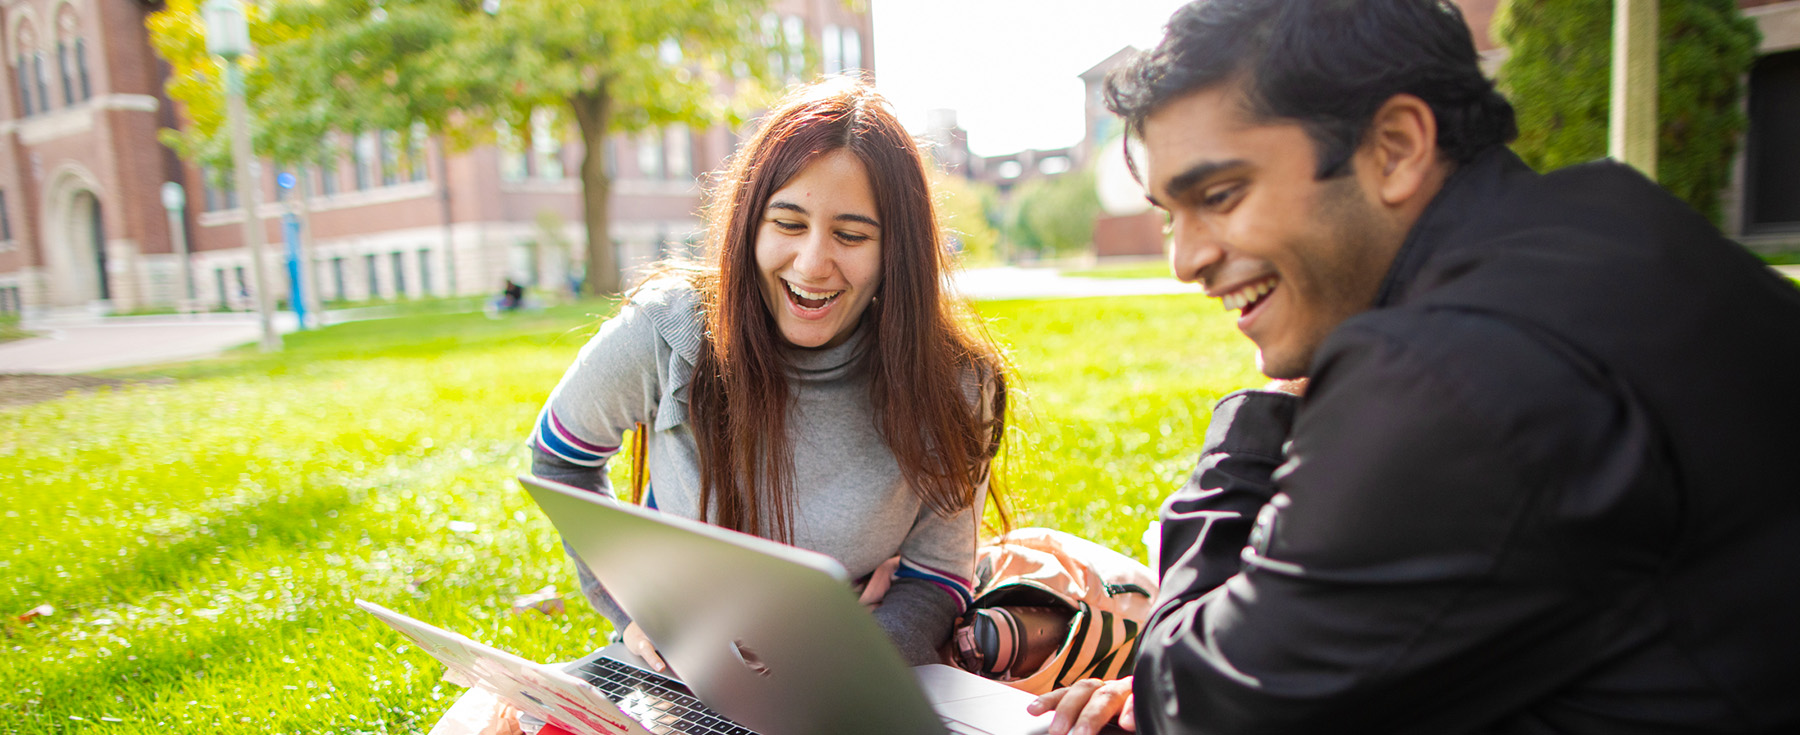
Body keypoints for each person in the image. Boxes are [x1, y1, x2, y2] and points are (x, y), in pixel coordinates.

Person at [1032, 1, 1800, 734]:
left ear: (1395, 146)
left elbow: (1198, 700)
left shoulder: (1444, 374)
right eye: (1171, 215)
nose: (1186, 260)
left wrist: (1260, 418)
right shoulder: (1616, 219)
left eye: (1221, 194)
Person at [529, 77, 1007, 673]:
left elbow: (937, 572)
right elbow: (558, 460)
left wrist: (856, 674)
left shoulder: (958, 383)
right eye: (787, 223)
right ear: (749, 223)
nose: (812, 264)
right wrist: (640, 611)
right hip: (681, 668)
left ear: (898, 251)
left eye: (852, 235)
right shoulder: (668, 331)